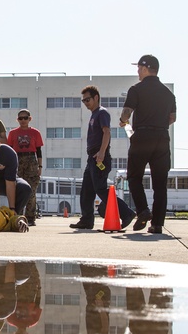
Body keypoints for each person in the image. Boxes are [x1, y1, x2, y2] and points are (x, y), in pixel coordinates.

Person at [120, 55, 176, 234]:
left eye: (138, 68)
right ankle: (157, 224)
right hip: (161, 136)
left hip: (142, 135)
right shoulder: (168, 93)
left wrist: (123, 120)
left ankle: (143, 210)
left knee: (134, 176)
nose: (137, 71)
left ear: (145, 68)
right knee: (160, 183)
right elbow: (173, 118)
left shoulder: (136, 89)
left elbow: (127, 112)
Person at [71, 85, 136, 230]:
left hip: (100, 156)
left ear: (96, 98)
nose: (86, 103)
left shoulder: (102, 113)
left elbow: (107, 133)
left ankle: (126, 213)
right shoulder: (94, 114)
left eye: (88, 99)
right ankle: (87, 220)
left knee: (100, 189)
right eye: (83, 101)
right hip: (92, 158)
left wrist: (101, 152)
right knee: (86, 191)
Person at [7, 110, 43, 225]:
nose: (23, 120)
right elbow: (10, 150)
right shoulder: (13, 133)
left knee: (31, 191)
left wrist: (40, 166)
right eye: (20, 118)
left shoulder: (35, 133)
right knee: (18, 190)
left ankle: (31, 217)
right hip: (17, 160)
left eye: (25, 118)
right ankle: (18, 216)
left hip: (31, 160)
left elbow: (38, 151)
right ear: (17, 120)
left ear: (29, 119)